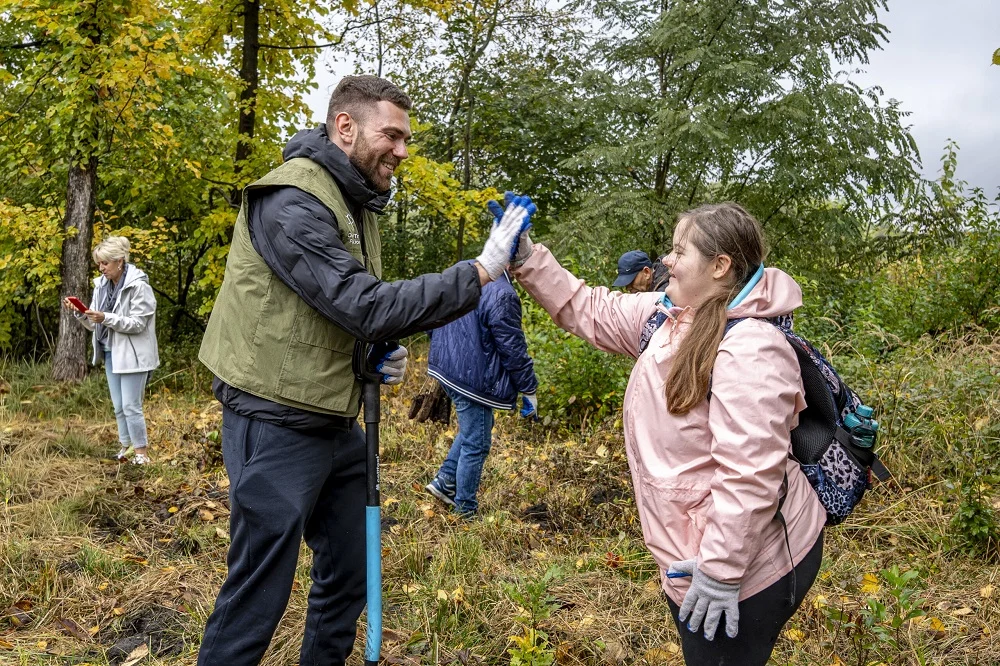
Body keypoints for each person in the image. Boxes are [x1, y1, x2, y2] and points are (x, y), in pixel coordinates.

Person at [196, 75, 533, 666]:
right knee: (258, 596)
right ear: (344, 127)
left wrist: (370, 355)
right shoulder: (291, 200)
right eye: (392, 135)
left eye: (407, 139)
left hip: (332, 421)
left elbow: (335, 310)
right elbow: (361, 303)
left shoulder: (354, 197)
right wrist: (479, 271)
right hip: (273, 420)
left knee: (348, 578)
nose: (402, 151)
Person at [509, 202, 826, 666]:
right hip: (699, 553)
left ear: (720, 267)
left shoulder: (753, 348)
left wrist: (720, 573)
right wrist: (527, 257)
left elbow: (751, 472)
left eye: (680, 251)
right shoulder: (669, 316)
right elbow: (589, 307)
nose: (666, 262)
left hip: (746, 567)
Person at [424, 266, 539, 517]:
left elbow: (431, 307)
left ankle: (445, 480)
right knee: (477, 442)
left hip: (448, 366)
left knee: (474, 428)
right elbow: (513, 349)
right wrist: (528, 387)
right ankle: (465, 509)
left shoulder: (463, 270)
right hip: (471, 378)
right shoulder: (503, 294)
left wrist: (441, 349)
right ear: (510, 263)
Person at [63, 236, 159, 465]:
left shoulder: (139, 286)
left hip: (134, 354)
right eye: (99, 263)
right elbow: (96, 324)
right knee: (118, 406)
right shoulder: (102, 287)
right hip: (110, 351)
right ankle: (125, 448)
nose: (101, 268)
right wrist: (81, 313)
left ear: (119, 261)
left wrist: (106, 317)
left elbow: (138, 324)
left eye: (105, 263)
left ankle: (141, 454)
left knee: (131, 405)